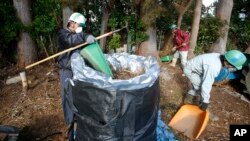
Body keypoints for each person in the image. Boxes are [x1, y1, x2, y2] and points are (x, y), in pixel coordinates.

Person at [57, 12, 96, 125]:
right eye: (80, 25)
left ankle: (78, 120)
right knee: (67, 95)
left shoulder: (77, 36)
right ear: (72, 23)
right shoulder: (63, 34)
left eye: (82, 27)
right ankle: (70, 123)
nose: (80, 28)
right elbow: (70, 41)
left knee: (78, 95)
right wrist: (84, 36)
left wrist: (88, 39)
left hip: (78, 70)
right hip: (67, 71)